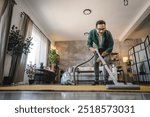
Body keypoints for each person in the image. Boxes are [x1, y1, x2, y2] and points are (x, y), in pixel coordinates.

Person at [87, 20, 114, 85]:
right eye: (99, 29)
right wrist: (91, 48)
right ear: (96, 28)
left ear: (105, 27)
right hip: (97, 50)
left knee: (106, 61)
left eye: (103, 29)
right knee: (95, 63)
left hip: (106, 50)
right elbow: (89, 44)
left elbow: (111, 46)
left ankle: (105, 81)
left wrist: (101, 56)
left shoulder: (108, 33)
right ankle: (96, 81)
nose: (101, 31)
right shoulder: (92, 32)